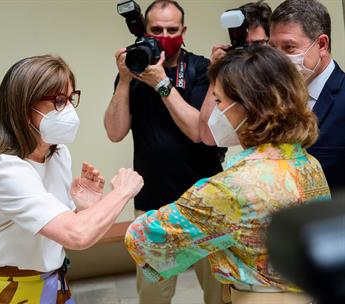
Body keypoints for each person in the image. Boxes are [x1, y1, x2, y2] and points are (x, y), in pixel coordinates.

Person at [125, 45, 331, 304]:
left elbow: (145, 240)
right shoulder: (307, 162)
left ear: (247, 106)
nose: (213, 113)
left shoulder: (232, 187)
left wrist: (119, 194)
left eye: (219, 101)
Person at [0, 55, 144, 304]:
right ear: (24, 109)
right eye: (58, 101)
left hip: (50, 282)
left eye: (69, 99)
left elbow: (57, 228)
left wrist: (84, 209)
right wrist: (123, 191)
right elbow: (77, 235)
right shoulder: (4, 169)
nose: (69, 111)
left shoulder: (58, 153)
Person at [104, 1, 224, 303]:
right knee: (153, 296)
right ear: (145, 32)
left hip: (204, 202)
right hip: (153, 206)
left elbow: (199, 130)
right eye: (157, 30)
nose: (165, 35)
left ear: (183, 32)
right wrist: (125, 80)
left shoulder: (199, 69)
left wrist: (162, 84)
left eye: (172, 30)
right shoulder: (133, 71)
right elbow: (115, 132)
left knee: (219, 293)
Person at [269, 0, 345, 193]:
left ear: (321, 44)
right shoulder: (274, 98)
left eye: (289, 47)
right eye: (273, 48)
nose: (278, 60)